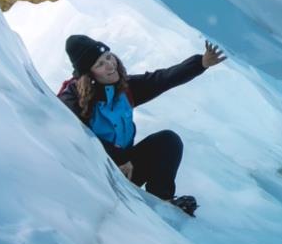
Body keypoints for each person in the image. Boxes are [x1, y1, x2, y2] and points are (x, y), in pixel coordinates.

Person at [57, 34, 225, 216]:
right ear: (88, 74)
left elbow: (162, 79)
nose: (110, 65)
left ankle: (163, 202)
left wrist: (201, 63)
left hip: (125, 171)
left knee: (168, 141)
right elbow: (78, 136)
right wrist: (119, 159)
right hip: (94, 174)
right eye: (99, 64)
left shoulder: (123, 88)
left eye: (108, 57)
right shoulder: (72, 99)